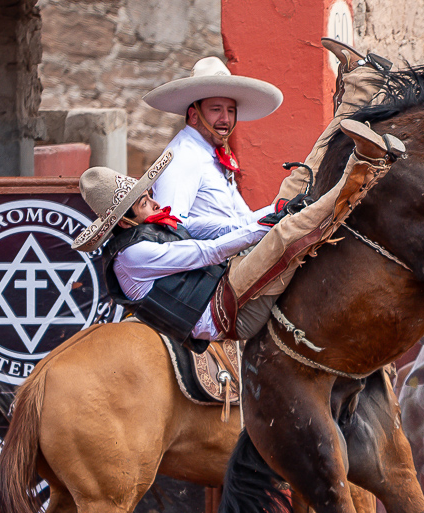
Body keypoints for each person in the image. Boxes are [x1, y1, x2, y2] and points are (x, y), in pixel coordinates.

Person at [71, 48, 403, 349]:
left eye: (230, 110)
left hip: (232, 261)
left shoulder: (207, 154)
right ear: (193, 114)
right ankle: (365, 169)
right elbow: (194, 239)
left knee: (301, 180)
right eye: (216, 110)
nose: (226, 119)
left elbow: (194, 231)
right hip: (222, 285)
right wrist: (263, 226)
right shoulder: (182, 159)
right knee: (291, 227)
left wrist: (264, 217)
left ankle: (359, 90)